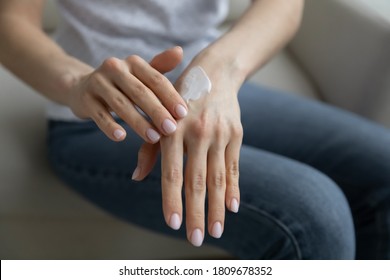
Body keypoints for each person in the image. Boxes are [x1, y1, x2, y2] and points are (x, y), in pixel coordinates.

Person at [1, 0, 389, 259]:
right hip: (101, 115)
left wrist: (218, 73)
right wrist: (77, 83)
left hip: (216, 89)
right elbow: (10, 20)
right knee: (315, 215)